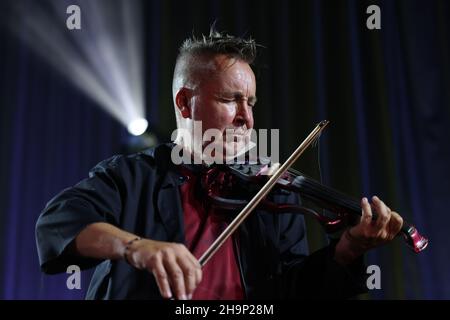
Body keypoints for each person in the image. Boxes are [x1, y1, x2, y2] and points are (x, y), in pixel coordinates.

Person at [35, 29, 403, 300]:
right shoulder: (131, 176)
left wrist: (349, 249)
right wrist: (136, 247)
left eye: (251, 103)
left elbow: (292, 289)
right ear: (184, 103)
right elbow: (58, 224)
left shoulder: (268, 191)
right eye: (231, 100)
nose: (247, 118)